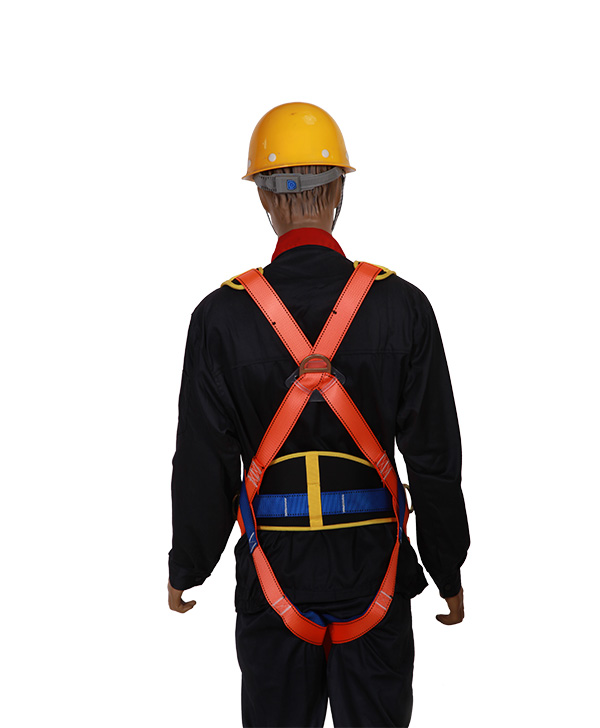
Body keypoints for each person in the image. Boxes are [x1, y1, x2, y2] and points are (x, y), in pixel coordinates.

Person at [167, 101, 470, 728]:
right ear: (339, 192)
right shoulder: (402, 307)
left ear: (262, 197)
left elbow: (203, 462)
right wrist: (448, 569)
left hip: (272, 577)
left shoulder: (220, 318)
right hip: (376, 575)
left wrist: (187, 567)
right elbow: (435, 458)